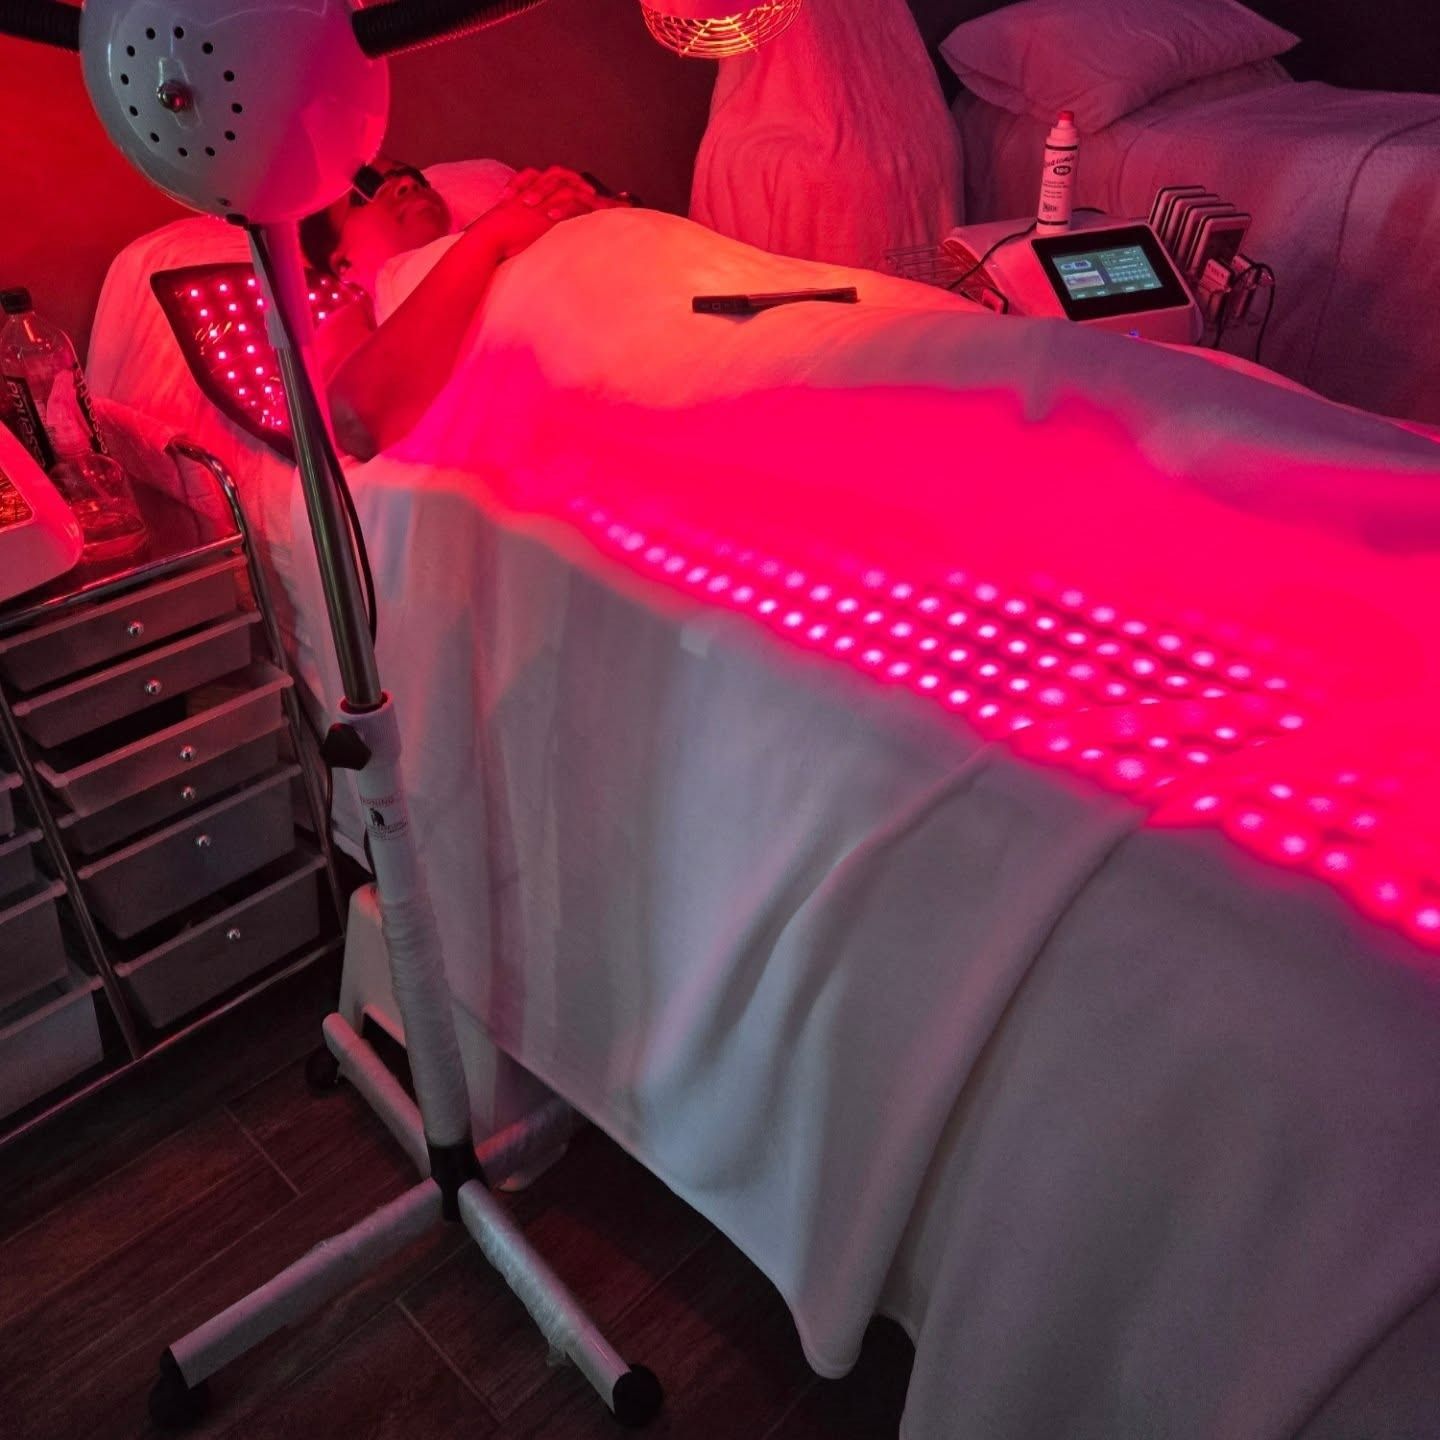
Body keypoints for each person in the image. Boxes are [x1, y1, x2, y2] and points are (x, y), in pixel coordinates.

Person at [298, 156, 628, 459]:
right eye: (364, 194)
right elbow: (359, 415)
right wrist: (491, 233)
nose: (407, 184)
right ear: (342, 265)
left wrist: (591, 207)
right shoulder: (358, 317)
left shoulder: (510, 232)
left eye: (413, 177)